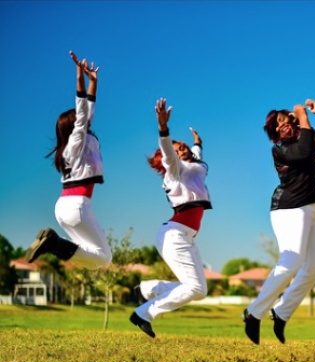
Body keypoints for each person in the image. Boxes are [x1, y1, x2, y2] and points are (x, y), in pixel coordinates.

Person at [242, 99, 315, 345]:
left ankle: (281, 312)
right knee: (291, 261)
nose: (282, 126)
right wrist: (303, 117)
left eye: (284, 119)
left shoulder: (314, 135)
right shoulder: (281, 148)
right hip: (291, 208)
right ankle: (253, 313)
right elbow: (304, 152)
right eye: (276, 125)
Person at [129, 98, 212, 338]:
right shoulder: (175, 171)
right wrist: (163, 128)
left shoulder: (193, 167)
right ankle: (144, 313)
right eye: (179, 149)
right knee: (194, 287)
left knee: (199, 290)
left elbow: (195, 155)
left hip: (186, 237)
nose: (183, 148)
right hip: (175, 235)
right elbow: (168, 153)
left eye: (183, 146)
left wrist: (197, 143)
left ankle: (148, 288)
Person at [25, 51, 112, 269]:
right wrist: (79, 78)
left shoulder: (71, 147)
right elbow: (83, 111)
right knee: (104, 258)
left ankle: (53, 243)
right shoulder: (77, 142)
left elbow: (87, 111)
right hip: (78, 206)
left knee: (90, 257)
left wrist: (93, 82)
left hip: (64, 207)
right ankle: (53, 243)